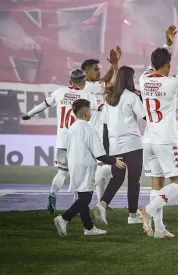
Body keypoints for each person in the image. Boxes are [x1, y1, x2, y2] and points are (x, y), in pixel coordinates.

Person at [138, 26, 178, 239]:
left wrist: (167, 44)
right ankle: (148, 209)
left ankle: (159, 229)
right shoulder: (171, 82)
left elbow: (151, 65)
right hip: (166, 140)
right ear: (169, 65)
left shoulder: (144, 79)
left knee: (158, 182)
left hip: (149, 139)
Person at [21, 69, 98, 214]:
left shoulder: (60, 92)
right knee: (79, 174)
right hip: (79, 140)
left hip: (62, 139)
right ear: (84, 81)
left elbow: (44, 105)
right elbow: (100, 109)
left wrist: (29, 114)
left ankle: (53, 193)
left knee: (62, 172)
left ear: (70, 81)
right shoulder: (87, 95)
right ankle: (79, 205)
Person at [54, 99, 126, 237]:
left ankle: (89, 227)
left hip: (74, 165)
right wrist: (114, 161)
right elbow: (100, 154)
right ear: (87, 112)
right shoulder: (89, 129)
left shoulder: (72, 128)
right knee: (85, 199)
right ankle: (64, 218)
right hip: (85, 166)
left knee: (83, 197)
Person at [93, 66, 146, 225]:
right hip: (133, 144)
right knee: (133, 181)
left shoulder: (110, 99)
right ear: (129, 79)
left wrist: (107, 151)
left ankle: (102, 205)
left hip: (116, 146)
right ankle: (132, 216)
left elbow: (105, 126)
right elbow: (144, 116)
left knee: (117, 178)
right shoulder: (132, 96)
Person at [82, 47, 121, 203]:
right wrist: (115, 65)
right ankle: (85, 196)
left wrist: (113, 64)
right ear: (86, 73)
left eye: (99, 69)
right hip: (97, 133)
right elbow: (112, 83)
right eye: (96, 70)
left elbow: (104, 81)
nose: (99, 72)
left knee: (100, 167)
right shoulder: (89, 86)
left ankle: (99, 202)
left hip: (98, 131)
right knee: (106, 168)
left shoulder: (92, 87)